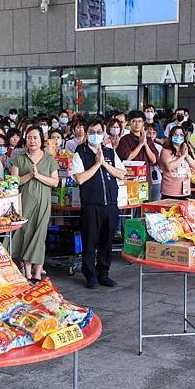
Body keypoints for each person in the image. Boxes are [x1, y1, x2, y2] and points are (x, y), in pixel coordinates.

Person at [72, 118, 126, 289]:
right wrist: (97, 164)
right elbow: (80, 178)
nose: (96, 135)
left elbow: (121, 174)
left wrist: (104, 164)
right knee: (90, 241)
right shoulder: (80, 153)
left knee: (107, 240)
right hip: (91, 204)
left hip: (110, 203)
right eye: (92, 132)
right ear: (87, 134)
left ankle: (104, 273)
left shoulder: (110, 152)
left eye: (99, 132)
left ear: (104, 134)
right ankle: (90, 276)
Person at [10, 126, 58, 283]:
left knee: (40, 233)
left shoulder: (49, 159)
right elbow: (13, 182)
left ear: (41, 140)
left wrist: (39, 176)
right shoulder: (19, 158)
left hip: (43, 202)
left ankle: (38, 272)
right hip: (24, 201)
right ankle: (28, 273)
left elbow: (55, 182)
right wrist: (30, 175)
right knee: (25, 232)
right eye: (29, 137)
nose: (32, 141)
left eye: (35, 137)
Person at [159, 126, 195, 199]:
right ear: (171, 136)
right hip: (170, 192)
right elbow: (169, 167)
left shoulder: (187, 149)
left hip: (185, 191)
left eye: (181, 134)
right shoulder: (166, 150)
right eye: (176, 134)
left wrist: (186, 155)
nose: (179, 136)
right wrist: (182, 156)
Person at [146, 123, 163, 201]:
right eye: (149, 133)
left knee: (155, 202)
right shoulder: (141, 144)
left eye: (154, 133)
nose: (151, 135)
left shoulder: (159, 147)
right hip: (143, 178)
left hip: (156, 177)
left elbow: (159, 162)